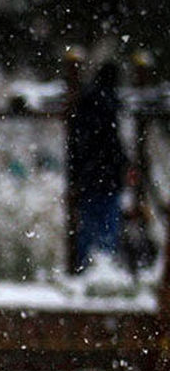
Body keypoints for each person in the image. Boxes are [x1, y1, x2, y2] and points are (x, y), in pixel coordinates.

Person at [68, 62, 126, 273]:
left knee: (90, 224)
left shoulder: (87, 103)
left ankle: (88, 266)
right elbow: (112, 143)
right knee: (107, 224)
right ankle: (102, 268)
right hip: (106, 176)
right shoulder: (108, 104)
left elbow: (79, 143)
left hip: (91, 176)